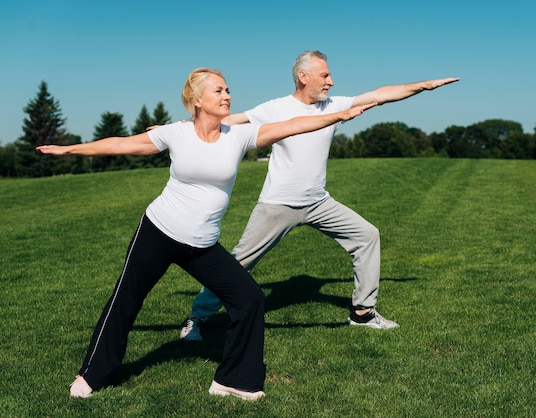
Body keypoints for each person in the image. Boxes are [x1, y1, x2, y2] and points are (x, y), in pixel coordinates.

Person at [37, 67, 375, 401]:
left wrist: (341, 115)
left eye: (228, 90)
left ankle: (233, 381)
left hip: (202, 245)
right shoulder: (176, 133)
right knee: (126, 301)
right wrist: (69, 150)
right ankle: (92, 375)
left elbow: (292, 125)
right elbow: (122, 145)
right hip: (159, 231)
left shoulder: (238, 135)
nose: (227, 95)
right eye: (219, 91)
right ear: (198, 99)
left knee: (250, 299)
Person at [180, 51, 460, 341]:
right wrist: (174, 130)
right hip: (278, 204)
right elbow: (226, 121)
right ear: (304, 77)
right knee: (238, 264)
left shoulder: (333, 106)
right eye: (324, 76)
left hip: (318, 202)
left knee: (367, 236)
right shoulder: (276, 108)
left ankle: (363, 313)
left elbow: (382, 94)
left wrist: (424, 85)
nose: (331, 82)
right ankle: (196, 317)